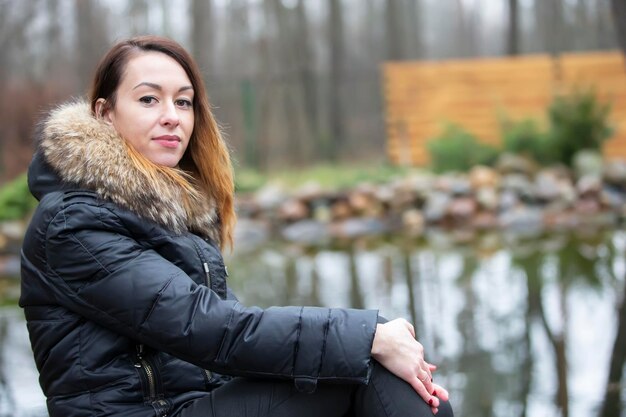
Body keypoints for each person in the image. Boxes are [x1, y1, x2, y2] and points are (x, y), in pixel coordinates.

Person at [20, 35, 453, 417]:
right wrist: (370, 336)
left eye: (184, 101)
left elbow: (231, 340)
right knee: (368, 366)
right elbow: (212, 330)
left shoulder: (168, 213)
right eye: (149, 99)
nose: (172, 116)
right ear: (105, 113)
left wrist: (365, 347)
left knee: (395, 380)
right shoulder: (72, 224)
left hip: (196, 403)